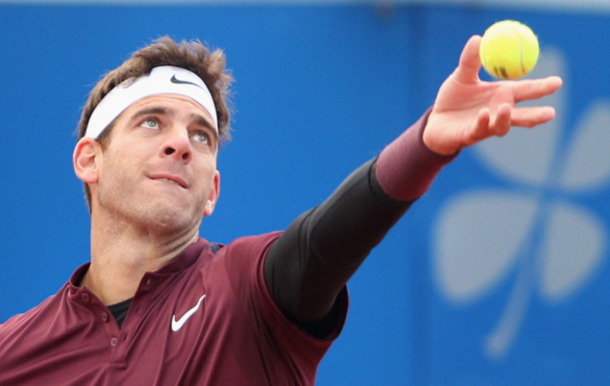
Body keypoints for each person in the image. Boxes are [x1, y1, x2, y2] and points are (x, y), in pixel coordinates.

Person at [0, 35, 561, 385]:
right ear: (88, 160)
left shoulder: (245, 288)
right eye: (152, 122)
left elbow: (325, 243)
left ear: (212, 190)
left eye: (201, 135)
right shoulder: (15, 352)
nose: (181, 144)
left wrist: (426, 145)